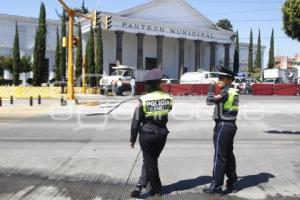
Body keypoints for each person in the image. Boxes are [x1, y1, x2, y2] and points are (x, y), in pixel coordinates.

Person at [130, 68, 172, 198]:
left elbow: (136, 120)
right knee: (150, 160)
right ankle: (140, 184)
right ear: (159, 83)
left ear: (148, 84)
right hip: (162, 133)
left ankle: (156, 189)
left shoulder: (143, 99)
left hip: (147, 133)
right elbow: (168, 110)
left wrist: (132, 138)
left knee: (150, 162)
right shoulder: (168, 97)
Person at [203, 66, 239, 194]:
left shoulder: (226, 92)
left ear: (229, 80)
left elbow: (209, 101)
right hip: (230, 126)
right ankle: (232, 182)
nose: (219, 79)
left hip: (223, 126)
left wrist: (211, 88)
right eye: (219, 77)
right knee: (228, 156)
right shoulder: (233, 91)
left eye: (222, 78)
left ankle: (216, 186)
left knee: (220, 157)